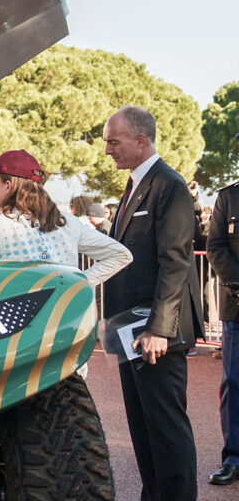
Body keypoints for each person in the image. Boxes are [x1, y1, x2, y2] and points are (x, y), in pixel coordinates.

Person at [101, 105, 203, 501]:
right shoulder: (134, 186)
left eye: (114, 141)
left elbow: (174, 260)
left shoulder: (169, 185)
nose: (108, 150)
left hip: (157, 333)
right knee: (143, 431)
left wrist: (160, 328)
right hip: (131, 332)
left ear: (141, 140)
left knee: (166, 430)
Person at [0, 150, 132, 288]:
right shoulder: (68, 223)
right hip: (63, 325)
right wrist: (77, 286)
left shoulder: (0, 229)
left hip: (17, 334)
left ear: (8, 185)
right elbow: (121, 255)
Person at [206, 172, 239, 485]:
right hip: (237, 304)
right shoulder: (228, 197)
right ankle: (234, 458)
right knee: (234, 382)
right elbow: (215, 246)